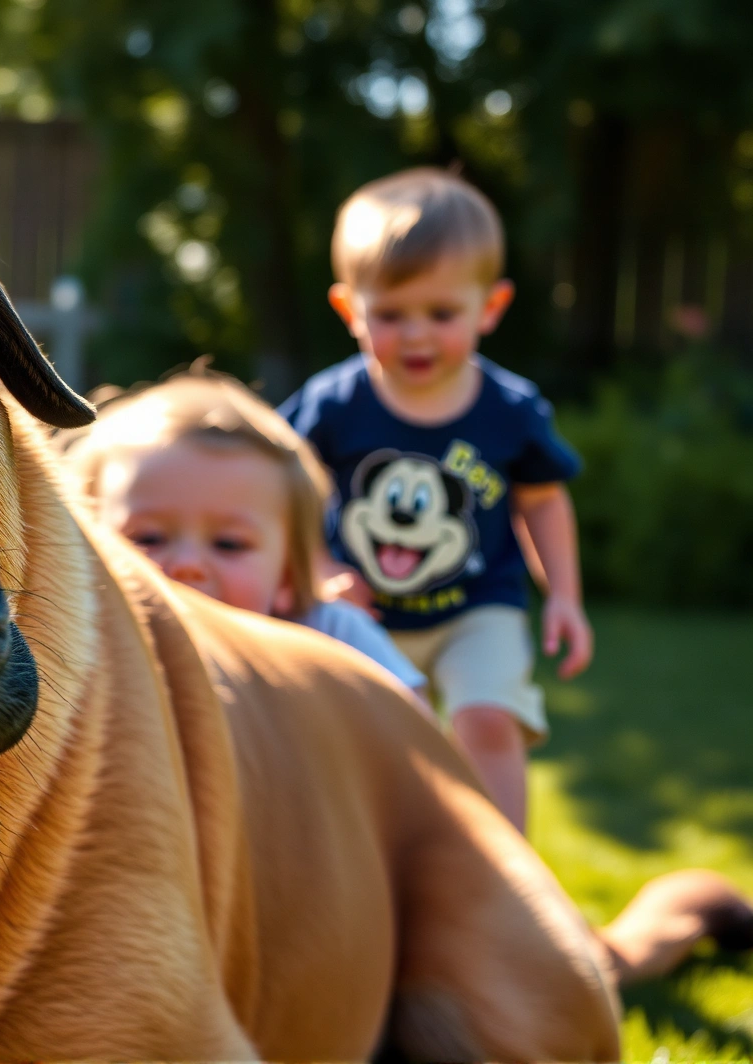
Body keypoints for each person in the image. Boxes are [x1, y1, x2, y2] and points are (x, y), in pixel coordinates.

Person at [279, 167, 592, 834]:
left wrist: (562, 593)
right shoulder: (333, 406)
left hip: (478, 609)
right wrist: (316, 566)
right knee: (361, 744)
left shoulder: (510, 411)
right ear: (349, 309)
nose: (417, 335)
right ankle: (378, 872)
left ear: (491, 307)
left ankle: (509, 887)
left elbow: (542, 501)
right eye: (391, 315)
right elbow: (286, 489)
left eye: (441, 314)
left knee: (486, 717)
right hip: (363, 617)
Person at [61, 369, 433, 711]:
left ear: (287, 575)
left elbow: (418, 742)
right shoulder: (80, 648)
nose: (187, 563)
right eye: (148, 537)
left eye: (228, 544)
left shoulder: (330, 636)